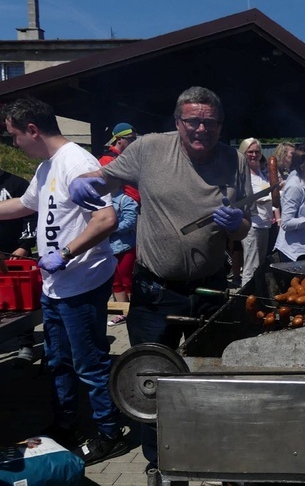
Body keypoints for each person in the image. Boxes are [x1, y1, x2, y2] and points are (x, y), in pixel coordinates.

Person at [67, 86, 252, 472]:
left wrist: (237, 225)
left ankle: (207, 451)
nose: (201, 129)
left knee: (209, 373)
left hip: (211, 288)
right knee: (151, 381)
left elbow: (244, 226)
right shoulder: (149, 149)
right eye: (193, 121)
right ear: (178, 122)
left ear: (220, 125)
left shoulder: (234, 160)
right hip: (156, 290)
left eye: (210, 122)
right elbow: (104, 178)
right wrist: (83, 183)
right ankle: (157, 460)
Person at [0, 96, 127, 465]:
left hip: (81, 284)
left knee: (89, 364)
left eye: (13, 136)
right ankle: (65, 425)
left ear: (32, 130)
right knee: (57, 362)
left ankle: (109, 431)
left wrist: (66, 253)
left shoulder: (77, 163)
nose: (13, 144)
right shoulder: (46, 167)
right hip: (55, 287)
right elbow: (26, 204)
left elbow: (106, 219)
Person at [0, 168, 38, 367]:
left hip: (15, 254)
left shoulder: (17, 184)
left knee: (20, 302)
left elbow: (31, 216)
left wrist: (24, 246)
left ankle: (26, 344)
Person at [239, 137, 274, 286]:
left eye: (257, 152)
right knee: (251, 265)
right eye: (250, 152)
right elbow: (248, 198)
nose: (254, 155)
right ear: (244, 153)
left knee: (259, 264)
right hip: (252, 225)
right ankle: (245, 295)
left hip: (265, 223)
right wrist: (270, 195)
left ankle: (257, 294)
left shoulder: (260, 171)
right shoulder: (242, 172)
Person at [106, 188, 138, 326]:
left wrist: (111, 228)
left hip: (126, 247)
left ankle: (135, 312)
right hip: (109, 249)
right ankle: (123, 313)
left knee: (127, 279)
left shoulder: (125, 199)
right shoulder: (102, 201)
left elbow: (131, 221)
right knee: (115, 282)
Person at [100, 122, 140, 205]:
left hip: (134, 203)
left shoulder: (131, 157)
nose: (134, 143)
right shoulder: (107, 159)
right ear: (119, 139)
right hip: (121, 206)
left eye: (135, 139)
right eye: (131, 139)